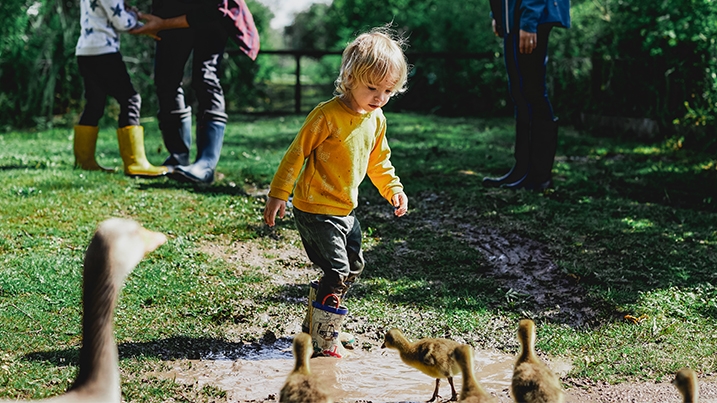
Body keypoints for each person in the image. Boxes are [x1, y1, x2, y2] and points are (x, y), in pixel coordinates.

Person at [263, 27, 410, 359]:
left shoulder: (376, 118)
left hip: (346, 210)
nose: (379, 97)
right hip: (315, 208)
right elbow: (296, 154)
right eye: (372, 87)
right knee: (337, 271)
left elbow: (379, 161)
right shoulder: (326, 115)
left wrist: (394, 190)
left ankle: (315, 325)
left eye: (388, 90)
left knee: (354, 267)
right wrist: (278, 194)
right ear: (349, 79)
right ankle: (325, 339)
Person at [130, 1, 233, 184]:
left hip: (212, 14)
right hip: (171, 9)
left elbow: (213, 10)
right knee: (166, 80)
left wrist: (163, 24)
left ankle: (205, 165)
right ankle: (178, 157)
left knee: (205, 77)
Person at [483, 0, 570, 191]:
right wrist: (498, 16)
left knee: (533, 92)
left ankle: (540, 176)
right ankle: (522, 169)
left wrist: (529, 21)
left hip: (531, 16)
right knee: (519, 93)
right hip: (512, 17)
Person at [74, 0, 167, 177]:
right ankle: (135, 162)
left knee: (94, 104)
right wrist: (136, 16)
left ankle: (84, 161)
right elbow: (122, 22)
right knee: (130, 99)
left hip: (86, 51)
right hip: (104, 52)